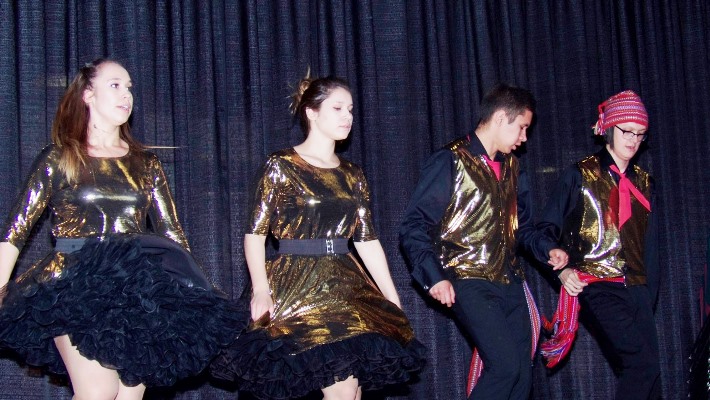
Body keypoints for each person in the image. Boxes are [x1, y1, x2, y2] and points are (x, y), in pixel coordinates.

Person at [0, 58, 244, 399]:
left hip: (137, 288)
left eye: (129, 87)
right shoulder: (60, 158)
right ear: (88, 94)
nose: (126, 94)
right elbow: (16, 229)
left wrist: (198, 295)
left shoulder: (146, 163)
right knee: (97, 392)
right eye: (115, 85)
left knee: (129, 394)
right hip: (76, 285)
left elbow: (171, 234)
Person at [210, 75, 425, 400]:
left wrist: (391, 298)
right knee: (342, 389)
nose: (347, 116)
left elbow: (366, 240)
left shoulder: (352, 174)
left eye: (350, 109)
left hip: (345, 286)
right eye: (337, 108)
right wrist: (261, 290)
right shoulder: (281, 165)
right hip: (297, 284)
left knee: (349, 389)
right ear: (311, 112)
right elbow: (255, 235)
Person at [400, 83, 568, 399]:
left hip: (510, 282)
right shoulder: (451, 160)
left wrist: (549, 249)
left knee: (521, 376)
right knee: (505, 367)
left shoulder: (514, 169)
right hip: (467, 280)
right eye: (522, 127)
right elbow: (413, 226)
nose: (524, 138)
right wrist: (433, 277)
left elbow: (525, 230)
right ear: (502, 117)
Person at [534, 90, 661, 399]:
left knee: (651, 376)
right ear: (608, 128)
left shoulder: (644, 181)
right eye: (626, 131)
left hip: (637, 287)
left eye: (640, 134)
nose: (633, 140)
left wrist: (647, 293)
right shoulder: (580, 174)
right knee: (641, 365)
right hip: (598, 286)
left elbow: (651, 245)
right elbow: (543, 231)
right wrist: (561, 273)